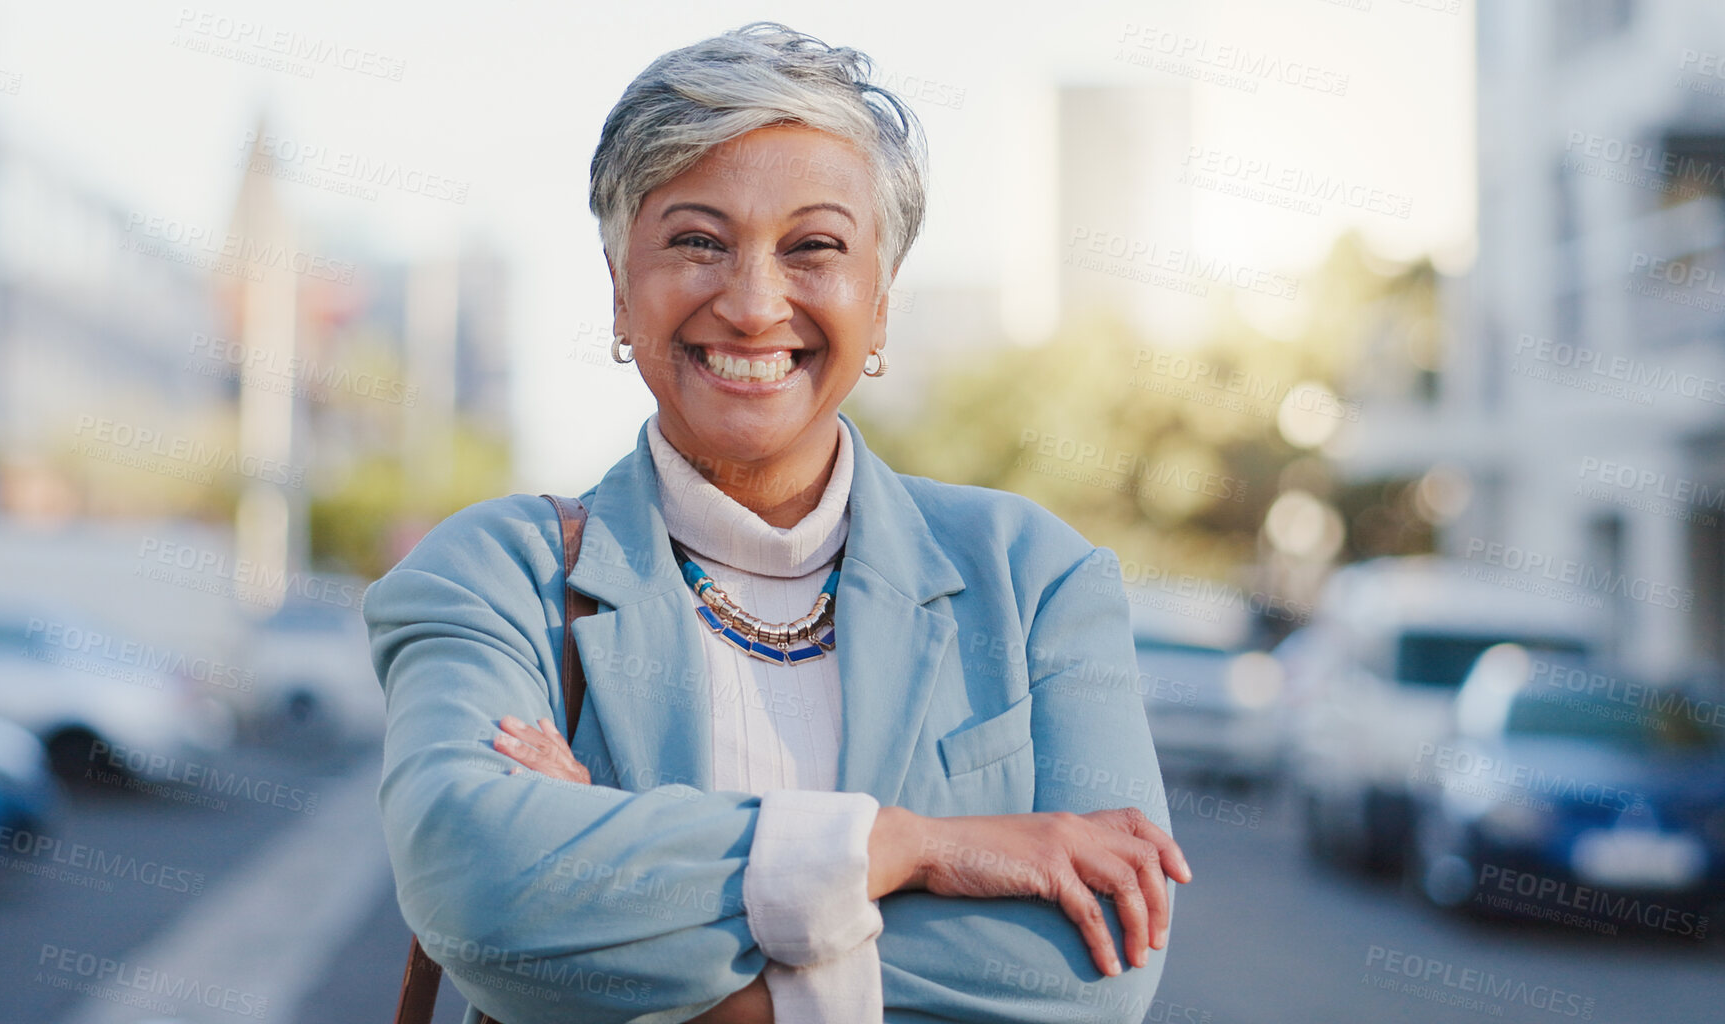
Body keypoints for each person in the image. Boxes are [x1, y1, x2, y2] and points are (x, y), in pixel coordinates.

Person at [365, 22, 1190, 1024]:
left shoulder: (1036, 579)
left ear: (879, 305)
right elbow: (479, 893)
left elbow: (1093, 966)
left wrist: (611, 868)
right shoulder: (494, 574)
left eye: (813, 247)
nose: (754, 304)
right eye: (696, 241)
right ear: (621, 292)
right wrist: (896, 847)